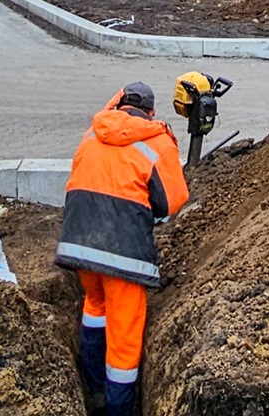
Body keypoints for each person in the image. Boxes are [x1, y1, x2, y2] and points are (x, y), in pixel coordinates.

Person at [56, 83, 188, 416]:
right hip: (123, 252)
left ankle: (93, 389)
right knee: (124, 341)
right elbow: (172, 202)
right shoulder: (155, 140)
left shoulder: (93, 132)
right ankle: (116, 410)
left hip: (80, 242)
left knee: (95, 306)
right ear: (151, 112)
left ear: (118, 103)